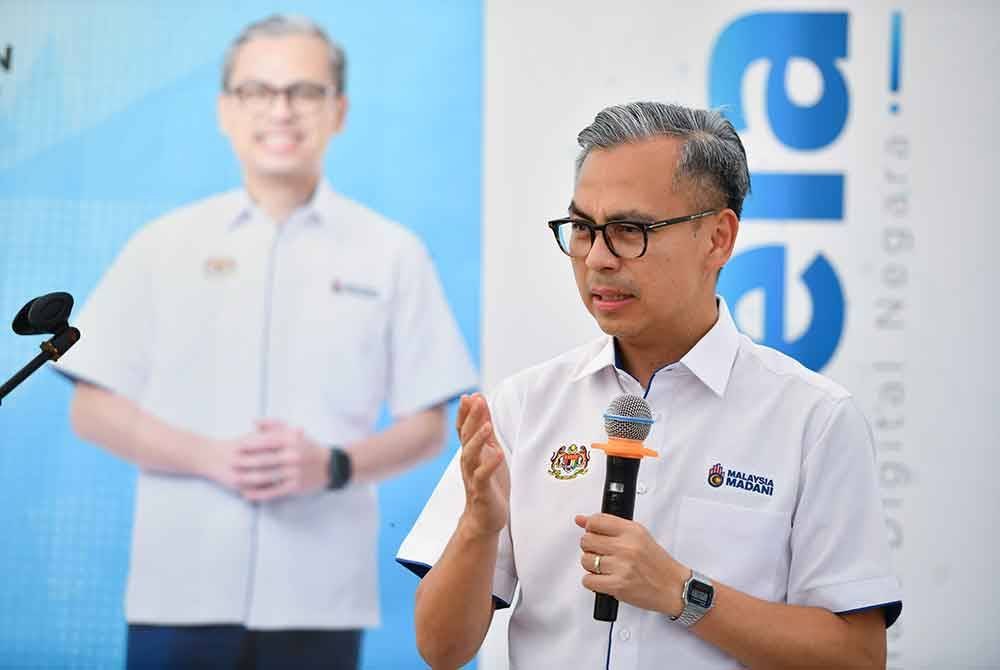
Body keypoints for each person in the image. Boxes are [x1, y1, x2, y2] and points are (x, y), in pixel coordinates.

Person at [397, 101, 901, 669]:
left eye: (628, 231)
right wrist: (478, 527)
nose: (598, 259)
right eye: (583, 229)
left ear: (718, 238)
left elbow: (858, 657)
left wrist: (683, 593)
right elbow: (440, 649)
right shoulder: (524, 406)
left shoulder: (813, 419)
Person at [55, 14, 476, 670]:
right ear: (226, 109)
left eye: (304, 91)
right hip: (178, 589)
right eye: (257, 91)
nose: (281, 110)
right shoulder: (163, 245)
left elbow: (426, 424)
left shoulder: (392, 253)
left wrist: (332, 465)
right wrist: (210, 458)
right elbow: (91, 407)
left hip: (319, 594)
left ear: (339, 110)